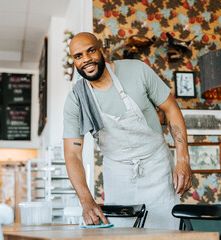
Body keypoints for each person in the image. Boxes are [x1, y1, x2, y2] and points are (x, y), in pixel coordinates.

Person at [63, 32, 192, 229]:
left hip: (157, 166)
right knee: (123, 234)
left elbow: (172, 109)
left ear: (101, 50)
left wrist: (183, 160)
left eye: (91, 51)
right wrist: (86, 200)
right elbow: (73, 154)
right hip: (118, 174)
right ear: (74, 61)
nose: (86, 59)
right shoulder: (76, 100)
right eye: (78, 56)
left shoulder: (137, 71)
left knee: (166, 231)